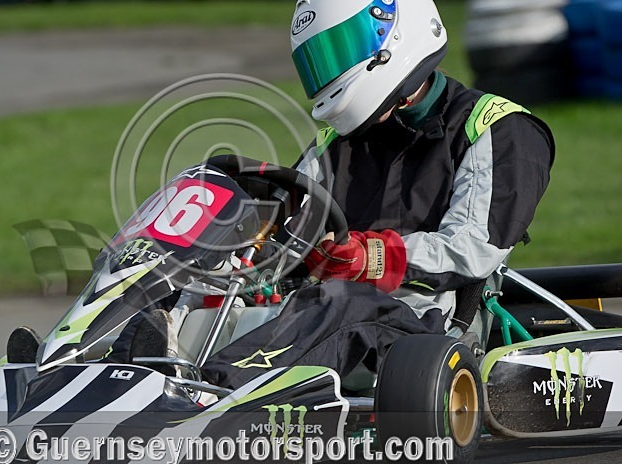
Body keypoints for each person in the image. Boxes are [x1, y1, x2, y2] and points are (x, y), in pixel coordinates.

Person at [199, 0, 555, 391]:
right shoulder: (334, 146)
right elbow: (288, 232)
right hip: (320, 316)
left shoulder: (496, 127)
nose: (329, 70)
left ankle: (210, 398)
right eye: (319, 58)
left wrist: (371, 259)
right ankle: (137, 380)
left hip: (426, 328)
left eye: (340, 49)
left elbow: (471, 248)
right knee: (185, 286)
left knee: (343, 302)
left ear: (397, 34)